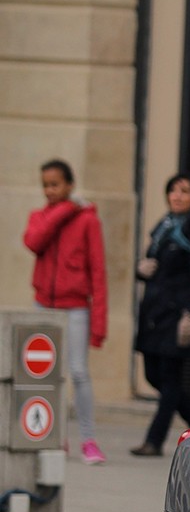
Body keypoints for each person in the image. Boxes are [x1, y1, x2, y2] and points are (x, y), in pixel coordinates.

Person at [23, 159, 108, 464]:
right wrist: (63, 211)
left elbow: (98, 272)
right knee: (46, 374)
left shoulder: (88, 220)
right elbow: (33, 242)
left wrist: (99, 324)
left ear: (70, 185)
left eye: (56, 184)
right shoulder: (40, 217)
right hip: (43, 305)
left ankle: (88, 440)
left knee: (78, 372)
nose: (50, 191)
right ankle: (54, 437)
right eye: (45, 185)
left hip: (75, 309)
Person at [130, 173, 190, 457]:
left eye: (184, 191)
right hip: (154, 312)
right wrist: (140, 270)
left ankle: (154, 440)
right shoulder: (163, 227)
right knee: (154, 375)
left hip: (176, 315)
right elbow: (154, 263)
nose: (177, 196)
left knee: (169, 379)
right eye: (173, 191)